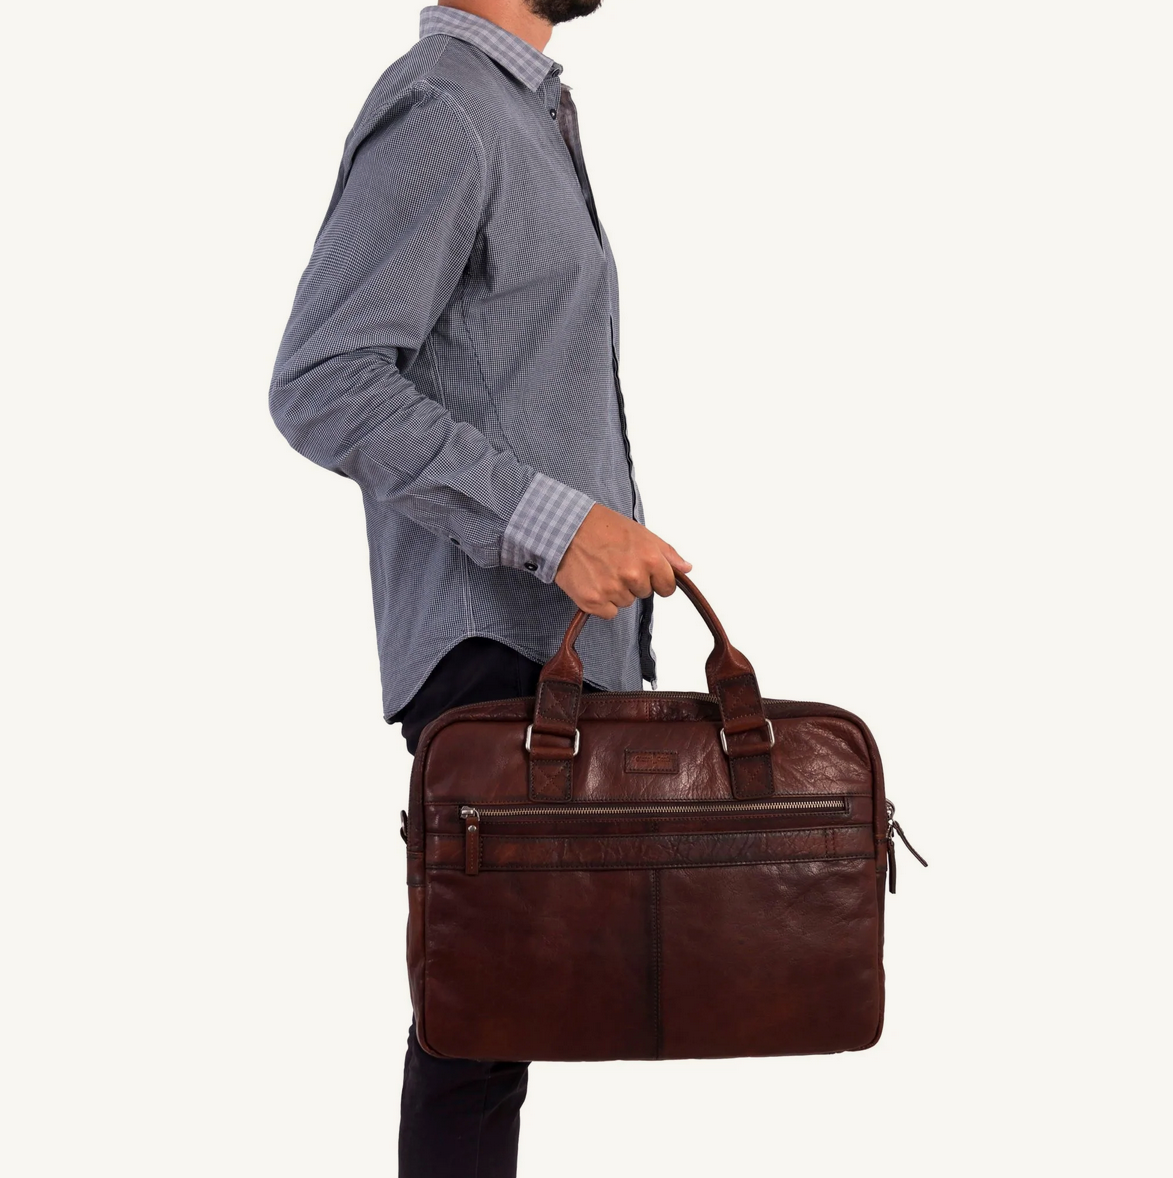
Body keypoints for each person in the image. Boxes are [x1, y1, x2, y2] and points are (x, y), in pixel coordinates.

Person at [269, 1, 691, 1173]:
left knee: (504, 1017)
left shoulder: (520, 108)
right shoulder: (448, 111)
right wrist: (560, 527)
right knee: (480, 1022)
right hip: (491, 643)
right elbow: (324, 379)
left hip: (549, 644)